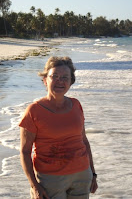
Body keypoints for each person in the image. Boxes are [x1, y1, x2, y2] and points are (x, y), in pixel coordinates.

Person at [19, 56, 98, 199]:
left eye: (65, 77)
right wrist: (34, 185)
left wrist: (92, 173)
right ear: (45, 80)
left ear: (71, 82)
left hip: (81, 176)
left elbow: (84, 141)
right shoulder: (34, 111)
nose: (60, 81)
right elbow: (25, 152)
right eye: (54, 76)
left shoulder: (76, 105)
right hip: (50, 180)